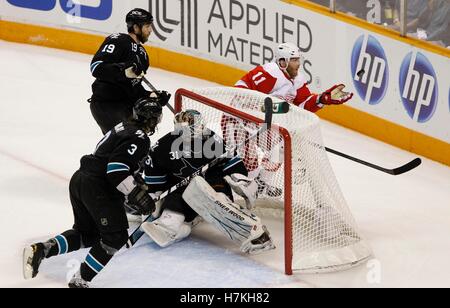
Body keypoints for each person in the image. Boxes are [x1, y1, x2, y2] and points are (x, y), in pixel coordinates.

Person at [23, 96, 164, 288]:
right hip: (98, 187)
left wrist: (135, 182)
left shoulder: (122, 127)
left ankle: (43, 249)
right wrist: (137, 195)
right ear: (153, 120)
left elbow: (112, 162)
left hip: (81, 179)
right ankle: (80, 280)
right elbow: (116, 170)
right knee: (116, 236)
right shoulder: (139, 137)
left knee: (88, 234)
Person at [141, 110, 275, 255]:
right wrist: (155, 195)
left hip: (213, 184)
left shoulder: (211, 139)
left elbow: (231, 163)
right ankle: (171, 225)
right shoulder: (163, 146)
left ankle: (252, 230)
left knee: (215, 192)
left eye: (198, 129)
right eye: (191, 130)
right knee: (174, 203)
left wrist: (240, 179)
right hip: (182, 192)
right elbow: (154, 178)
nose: (197, 133)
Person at [231, 42, 353, 196]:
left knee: (283, 143)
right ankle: (242, 188)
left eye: (297, 59)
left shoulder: (297, 79)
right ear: (283, 62)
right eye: (294, 60)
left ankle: (262, 183)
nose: (298, 64)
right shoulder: (270, 73)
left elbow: (302, 105)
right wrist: (265, 109)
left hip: (260, 125)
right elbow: (240, 91)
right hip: (238, 121)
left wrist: (322, 99)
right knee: (251, 170)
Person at [89, 8, 171, 134]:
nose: (150, 30)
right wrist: (123, 69)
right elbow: (97, 67)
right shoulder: (119, 40)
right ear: (136, 28)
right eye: (147, 26)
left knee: (136, 144)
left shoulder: (143, 55)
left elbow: (134, 89)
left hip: (126, 107)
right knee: (123, 142)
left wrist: (152, 95)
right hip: (107, 104)